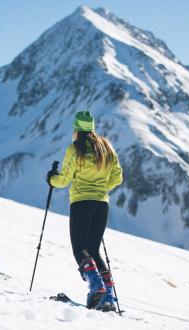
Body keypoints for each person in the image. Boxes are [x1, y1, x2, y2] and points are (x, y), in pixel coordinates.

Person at [46, 110, 123, 312]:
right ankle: (108, 298)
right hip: (101, 204)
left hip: (81, 202)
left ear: (77, 129)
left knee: (80, 249)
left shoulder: (75, 148)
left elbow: (63, 180)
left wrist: (50, 179)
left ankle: (96, 286)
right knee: (94, 250)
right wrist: (101, 189)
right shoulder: (106, 147)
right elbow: (118, 177)